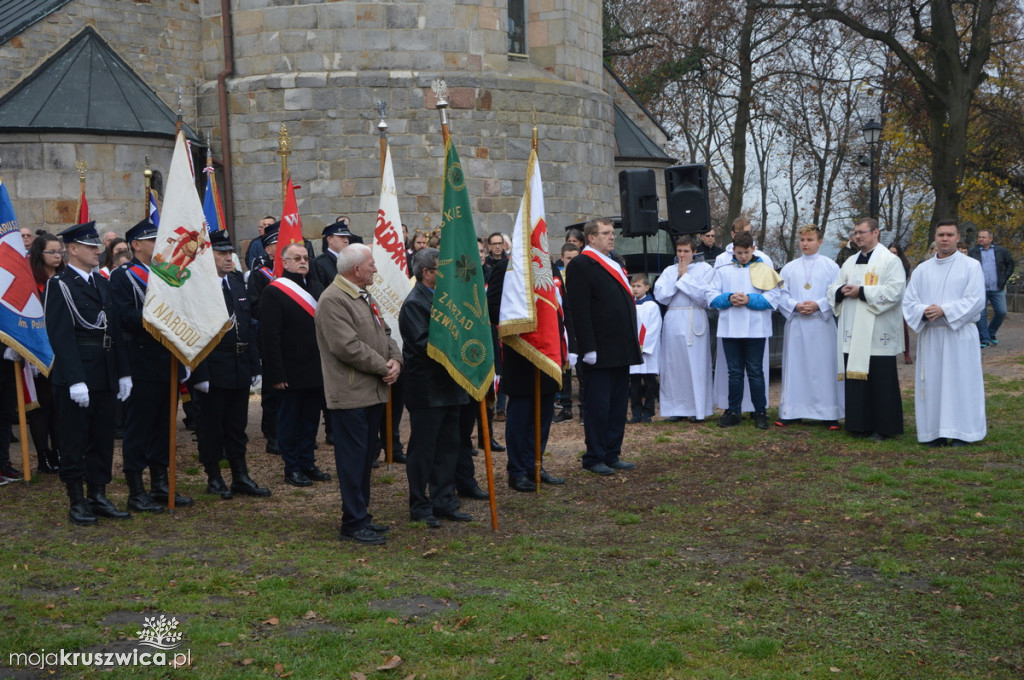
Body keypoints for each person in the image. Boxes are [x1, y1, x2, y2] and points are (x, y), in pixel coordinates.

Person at [44, 222, 132, 525]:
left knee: (102, 437)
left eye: (98, 246)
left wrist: (123, 373)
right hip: (78, 374)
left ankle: (98, 493)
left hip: (105, 371)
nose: (98, 251)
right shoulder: (61, 284)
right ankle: (76, 500)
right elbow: (61, 335)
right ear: (73, 249)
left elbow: (115, 330)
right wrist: (75, 378)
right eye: (91, 246)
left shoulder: (101, 282)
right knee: (74, 439)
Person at [315, 244, 401, 544]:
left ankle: (360, 514)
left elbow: (385, 333)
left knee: (365, 457)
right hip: (350, 394)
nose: (375, 269)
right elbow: (346, 346)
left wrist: (395, 361)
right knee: (352, 461)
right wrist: (383, 367)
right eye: (371, 265)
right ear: (356, 270)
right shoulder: (333, 300)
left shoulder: (363, 295)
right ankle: (352, 522)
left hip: (371, 392)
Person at [108, 218, 191, 511]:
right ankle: (136, 489)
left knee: (163, 426)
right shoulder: (123, 276)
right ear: (137, 245)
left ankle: (160, 484)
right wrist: (156, 317)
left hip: (166, 360)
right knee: (139, 427)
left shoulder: (167, 274)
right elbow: (122, 317)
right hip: (140, 361)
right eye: (153, 240)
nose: (160, 245)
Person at [192, 230, 270, 499]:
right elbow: (195, 333)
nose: (228, 258)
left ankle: (240, 475)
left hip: (238, 363)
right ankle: (214, 476)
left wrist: (255, 366)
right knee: (211, 424)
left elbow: (246, 326)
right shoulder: (198, 286)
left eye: (230, 253)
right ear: (207, 256)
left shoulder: (236, 283)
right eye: (221, 253)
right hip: (213, 364)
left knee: (237, 425)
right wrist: (199, 372)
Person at [399, 248, 473, 526]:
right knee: (424, 450)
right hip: (428, 389)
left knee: (448, 447)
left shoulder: (447, 299)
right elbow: (423, 344)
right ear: (427, 273)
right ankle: (420, 505)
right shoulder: (415, 303)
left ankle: (444, 500)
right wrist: (459, 348)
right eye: (442, 269)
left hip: (451, 385)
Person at [565, 217, 642, 475]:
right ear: (592, 238)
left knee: (619, 403)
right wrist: (587, 347)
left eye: (612, 233)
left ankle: (612, 452)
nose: (612, 237)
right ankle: (594, 456)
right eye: (606, 233)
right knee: (598, 405)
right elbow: (579, 309)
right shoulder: (581, 264)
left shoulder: (614, 262)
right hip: (598, 348)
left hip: (620, 346)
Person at [486, 256, 567, 492]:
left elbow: (561, 305)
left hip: (549, 350)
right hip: (521, 350)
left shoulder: (549, 265)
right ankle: (517, 470)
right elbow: (492, 308)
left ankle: (536, 464)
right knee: (521, 414)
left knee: (544, 412)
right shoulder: (506, 267)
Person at [903, 220, 987, 447]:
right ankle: (934, 432)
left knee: (960, 383)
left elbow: (976, 300)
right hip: (932, 334)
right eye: (941, 234)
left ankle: (963, 433)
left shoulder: (971, 266)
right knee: (932, 385)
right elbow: (909, 301)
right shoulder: (922, 269)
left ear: (958, 237)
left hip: (958, 334)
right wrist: (925, 311)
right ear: (935, 237)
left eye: (950, 234)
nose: (945, 239)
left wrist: (945, 310)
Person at [827, 217, 906, 441]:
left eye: (862, 232)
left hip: (876, 332)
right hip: (852, 329)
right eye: (855, 233)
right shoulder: (849, 262)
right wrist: (841, 290)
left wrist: (861, 292)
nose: (857, 236)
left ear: (876, 233)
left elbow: (895, 291)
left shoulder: (889, 261)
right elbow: (833, 287)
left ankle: (884, 427)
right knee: (856, 380)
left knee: (881, 380)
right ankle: (858, 424)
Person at [259, 242, 330, 487]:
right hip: (290, 370)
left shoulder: (317, 287)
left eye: (305, 258)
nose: (302, 261)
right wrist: (276, 373)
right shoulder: (274, 292)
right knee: (290, 421)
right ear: (285, 262)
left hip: (315, 367)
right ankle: (292, 467)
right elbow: (270, 337)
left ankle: (307, 462)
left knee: (311, 419)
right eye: (296, 258)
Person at [707, 231, 781, 430]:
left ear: (753, 249)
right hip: (730, 328)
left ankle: (760, 412)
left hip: (756, 328)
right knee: (734, 373)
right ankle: (733, 411)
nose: (743, 256)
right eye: (739, 253)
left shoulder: (764, 269)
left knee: (756, 372)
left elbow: (773, 298)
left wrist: (749, 300)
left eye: (746, 252)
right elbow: (710, 296)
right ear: (733, 250)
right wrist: (729, 298)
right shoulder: (723, 269)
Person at [777, 226, 843, 428]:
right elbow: (781, 294)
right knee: (796, 368)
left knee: (823, 368)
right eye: (802, 239)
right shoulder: (789, 268)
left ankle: (828, 413)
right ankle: (793, 411)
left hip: (821, 324)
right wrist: (795, 306)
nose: (805, 244)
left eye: (810, 239)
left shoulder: (831, 267)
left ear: (820, 241)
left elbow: (836, 293)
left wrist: (819, 305)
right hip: (797, 324)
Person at [653, 235, 714, 422]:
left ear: (694, 252)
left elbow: (704, 297)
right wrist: (677, 277)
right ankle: (676, 408)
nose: (682, 255)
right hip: (673, 318)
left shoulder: (705, 269)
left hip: (694, 316)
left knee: (695, 364)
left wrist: (685, 277)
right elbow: (660, 295)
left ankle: (697, 409)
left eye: (686, 251)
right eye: (679, 251)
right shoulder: (669, 270)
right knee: (673, 364)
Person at [27, 234, 65, 474]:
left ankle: (60, 450)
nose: (57, 255)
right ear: (39, 255)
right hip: (40, 351)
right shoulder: (32, 282)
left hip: (63, 350)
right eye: (52, 252)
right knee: (42, 406)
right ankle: (43, 455)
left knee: (61, 405)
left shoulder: (64, 279)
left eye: (59, 251)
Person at [247, 223, 280, 454]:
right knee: (272, 389)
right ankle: (273, 434)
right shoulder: (261, 275)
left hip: (296, 340)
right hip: (271, 338)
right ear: (268, 249)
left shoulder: (299, 273)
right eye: (277, 244)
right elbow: (254, 306)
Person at [969, 229, 1015, 348]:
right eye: (979, 237)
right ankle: (984, 339)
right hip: (980, 288)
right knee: (981, 313)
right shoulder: (973, 252)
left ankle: (991, 333)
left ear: (990, 239)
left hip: (997, 287)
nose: (980, 239)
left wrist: (1004, 278)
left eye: (983, 237)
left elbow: (1010, 264)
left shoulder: (1001, 251)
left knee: (1001, 311)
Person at [553, 242, 581, 423]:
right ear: (562, 258)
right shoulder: (557, 277)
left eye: (575, 258)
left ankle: (585, 410)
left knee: (582, 370)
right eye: (568, 258)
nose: (571, 262)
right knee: (564, 370)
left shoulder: (584, 274)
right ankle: (566, 407)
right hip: (564, 327)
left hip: (581, 325)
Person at [628, 273, 661, 423]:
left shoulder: (652, 306)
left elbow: (654, 328)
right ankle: (636, 412)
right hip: (634, 350)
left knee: (649, 383)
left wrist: (644, 346)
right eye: (633, 286)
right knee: (634, 384)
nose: (635, 289)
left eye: (638, 286)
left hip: (647, 351)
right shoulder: (630, 304)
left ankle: (648, 412)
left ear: (647, 288)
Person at [888, 243, 915, 364]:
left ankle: (907, 353)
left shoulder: (903, 266)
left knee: (903, 328)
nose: (892, 255)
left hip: (900, 299)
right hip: (886, 298)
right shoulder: (883, 265)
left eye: (894, 252)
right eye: (890, 252)